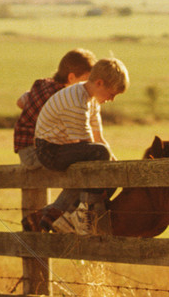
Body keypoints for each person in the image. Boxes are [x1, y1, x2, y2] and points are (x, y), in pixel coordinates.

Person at [32, 57, 130, 233]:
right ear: (99, 83)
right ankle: (84, 213)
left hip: (66, 148)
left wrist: (116, 167)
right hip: (50, 150)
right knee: (99, 159)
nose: (112, 99)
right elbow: (87, 144)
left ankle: (59, 216)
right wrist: (106, 162)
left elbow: (98, 138)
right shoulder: (76, 102)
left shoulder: (90, 101)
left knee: (108, 172)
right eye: (112, 93)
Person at [15, 49, 95, 231]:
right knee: (82, 172)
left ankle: (43, 218)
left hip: (24, 149)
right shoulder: (64, 98)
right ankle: (56, 216)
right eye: (86, 79)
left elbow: (21, 101)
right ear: (73, 77)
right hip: (36, 152)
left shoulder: (42, 85)